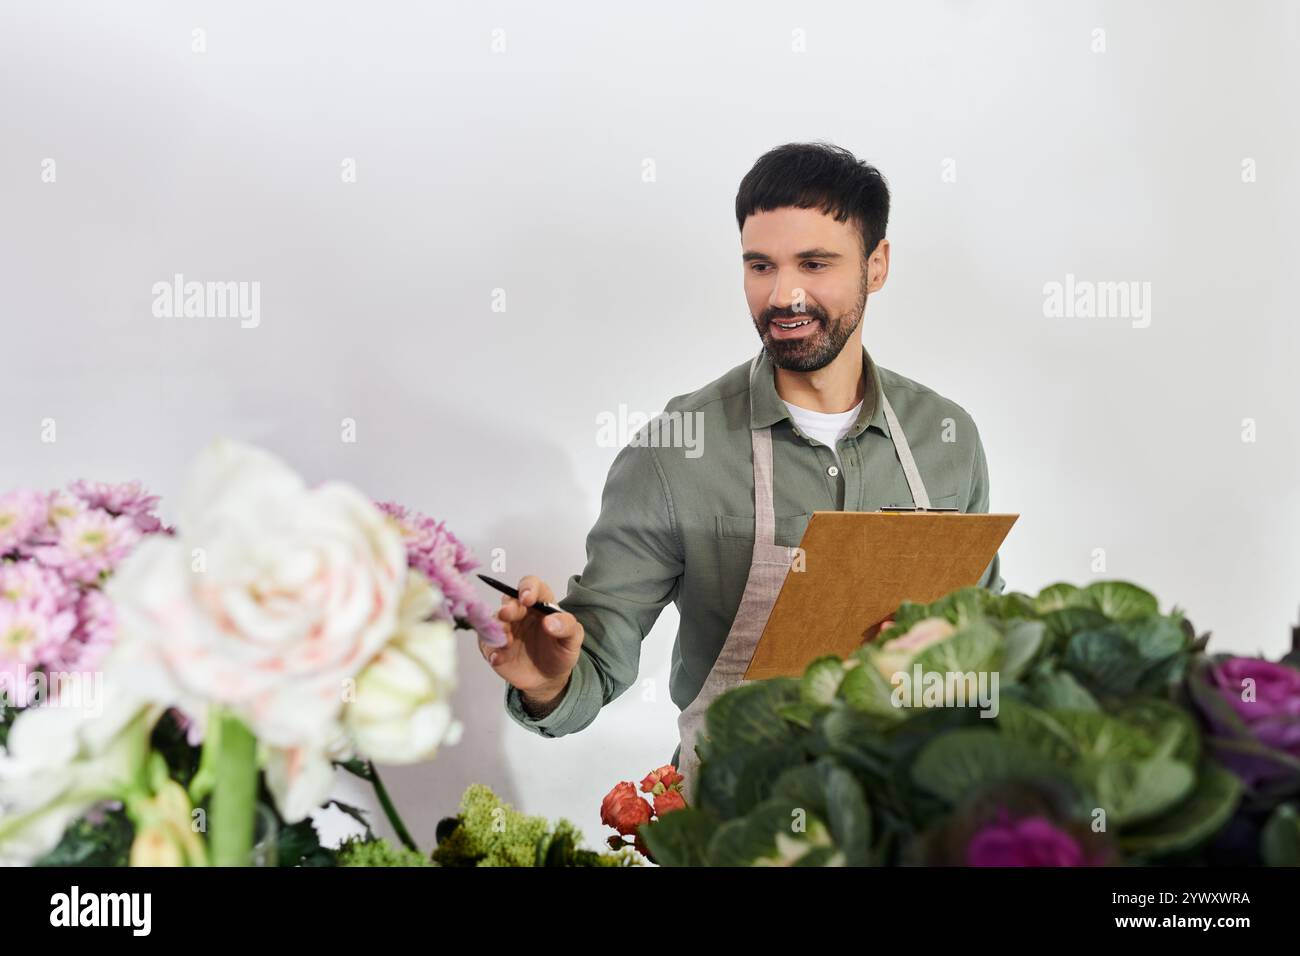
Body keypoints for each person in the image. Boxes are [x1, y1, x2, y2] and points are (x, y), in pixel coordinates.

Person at [479, 142, 1005, 798]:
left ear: (877, 266)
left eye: (815, 263)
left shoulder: (946, 440)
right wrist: (550, 679)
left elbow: (987, 637)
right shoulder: (674, 452)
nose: (783, 295)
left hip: (919, 823)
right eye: (761, 265)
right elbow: (596, 660)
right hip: (732, 827)